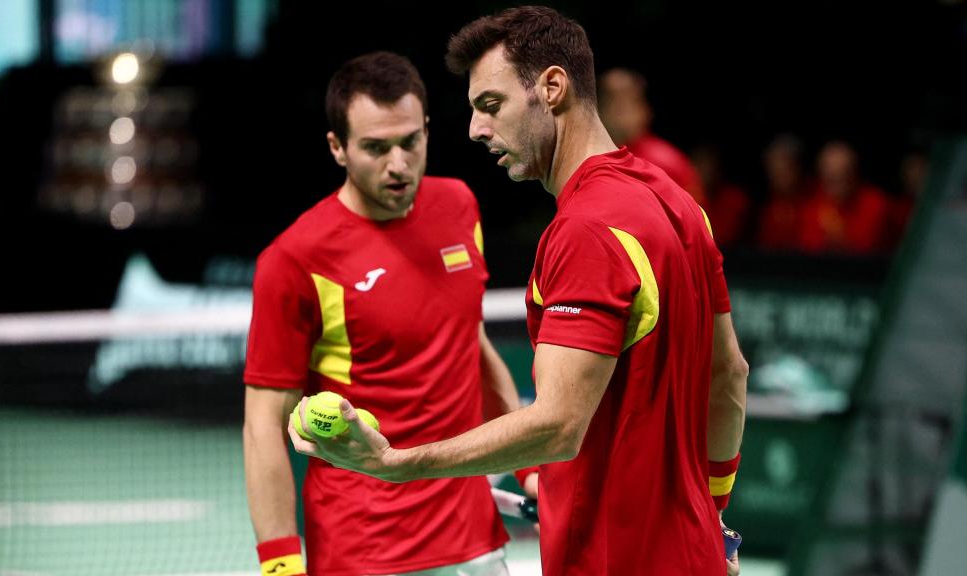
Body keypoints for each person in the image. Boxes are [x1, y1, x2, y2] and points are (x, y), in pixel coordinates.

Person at [290, 8, 747, 576]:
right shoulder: (677, 203)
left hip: (609, 560)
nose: (477, 129)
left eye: (491, 105)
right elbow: (729, 376)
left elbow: (557, 427)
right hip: (695, 552)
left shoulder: (586, 231)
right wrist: (713, 507)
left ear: (552, 89)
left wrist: (397, 462)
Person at [243, 51, 520, 576]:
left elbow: (472, 345)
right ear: (337, 148)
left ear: (428, 131)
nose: (398, 164)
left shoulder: (459, 206)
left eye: (410, 141)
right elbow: (263, 424)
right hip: (364, 549)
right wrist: (280, 561)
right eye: (375, 147)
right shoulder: (296, 258)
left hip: (474, 539)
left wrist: (529, 470)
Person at [597, 67, 706, 205]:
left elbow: (696, 219)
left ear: (645, 110)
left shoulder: (670, 164)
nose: (617, 113)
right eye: (610, 103)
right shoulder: (591, 157)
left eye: (626, 104)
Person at [797, 140, 890, 254]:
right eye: (830, 178)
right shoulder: (812, 204)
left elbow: (868, 247)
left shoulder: (875, 203)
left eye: (843, 176)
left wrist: (839, 237)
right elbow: (806, 247)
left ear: (854, 174)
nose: (836, 185)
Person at [756, 133, 811, 252]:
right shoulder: (765, 208)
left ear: (797, 167)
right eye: (774, 170)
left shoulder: (813, 204)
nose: (778, 176)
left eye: (784, 169)